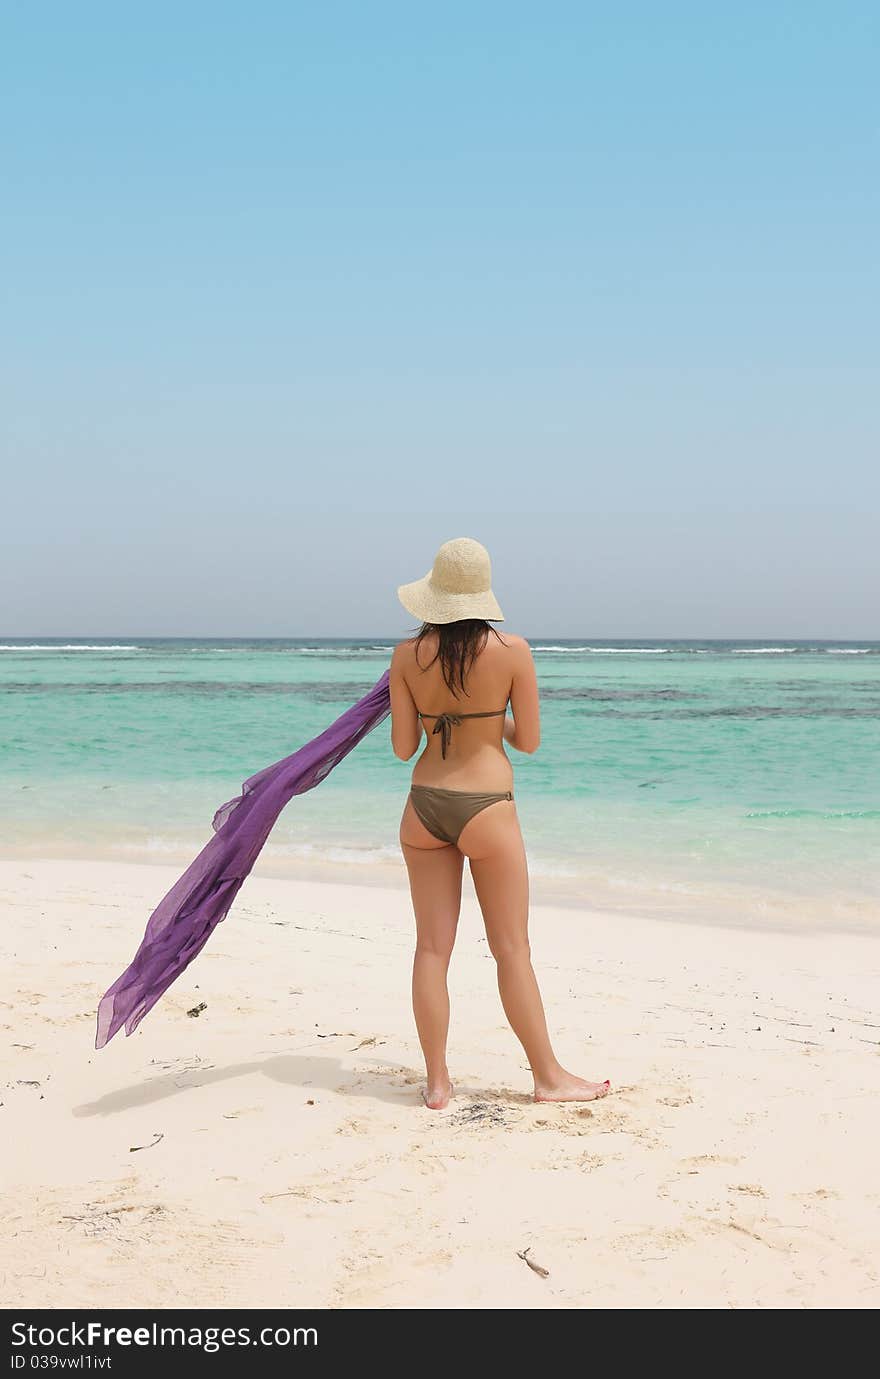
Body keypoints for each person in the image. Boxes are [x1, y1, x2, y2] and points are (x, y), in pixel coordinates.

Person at [390, 537, 611, 1110]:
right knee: (511, 948)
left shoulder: (404, 655)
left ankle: (437, 1083)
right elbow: (531, 741)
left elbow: (403, 746)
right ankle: (547, 1076)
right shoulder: (513, 649)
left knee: (431, 950)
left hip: (423, 806)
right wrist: (491, 725)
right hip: (487, 806)